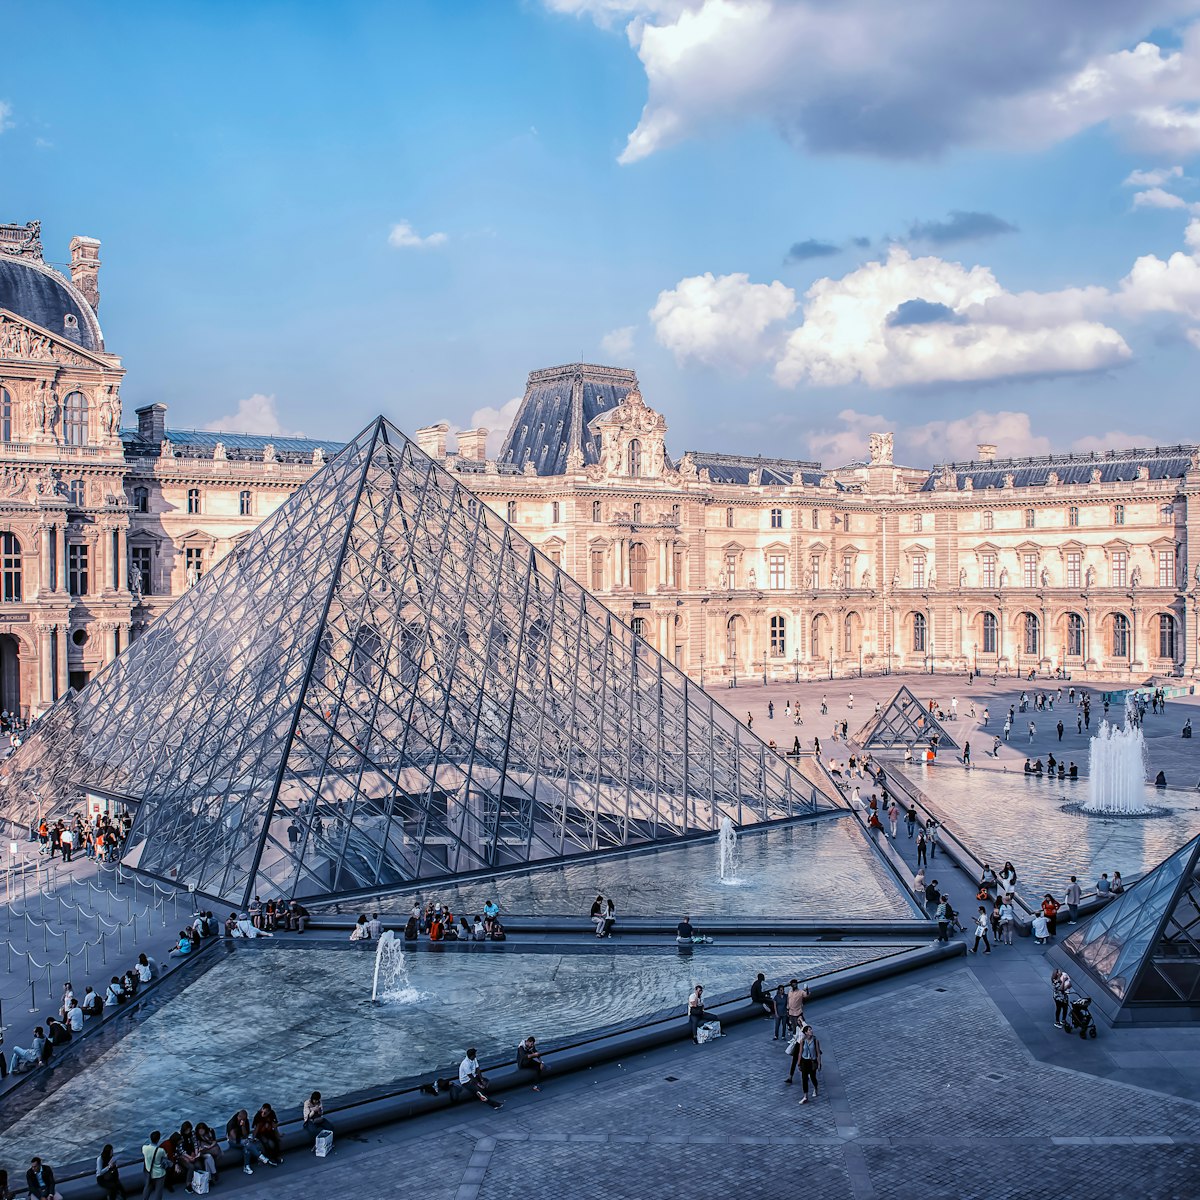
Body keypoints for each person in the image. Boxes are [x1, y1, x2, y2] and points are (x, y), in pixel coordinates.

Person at [225, 1109, 270, 1175]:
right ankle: (260, 1156)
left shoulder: (245, 1121)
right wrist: (243, 1139)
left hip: (243, 1140)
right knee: (247, 1143)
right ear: (238, 1117)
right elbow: (234, 1138)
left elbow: (246, 1135)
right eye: (242, 1119)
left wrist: (243, 1126)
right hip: (233, 1141)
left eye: (245, 1119)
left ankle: (246, 1167)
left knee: (247, 1149)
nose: (243, 1121)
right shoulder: (231, 1123)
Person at [789, 1023, 822, 1102]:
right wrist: (799, 1062)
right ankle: (805, 1096)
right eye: (809, 1030)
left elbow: (818, 1052)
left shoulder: (815, 1040)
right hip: (804, 1061)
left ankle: (815, 1088)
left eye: (811, 1030)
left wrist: (819, 1063)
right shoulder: (802, 1041)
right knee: (804, 1078)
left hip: (812, 1061)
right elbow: (800, 1052)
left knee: (813, 1077)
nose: (811, 1031)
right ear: (806, 1032)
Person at [140, 1132, 168, 1200]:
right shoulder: (161, 1151)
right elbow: (165, 1158)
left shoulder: (144, 1148)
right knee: (158, 1191)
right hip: (159, 1174)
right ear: (158, 1139)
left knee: (147, 1188)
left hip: (149, 1172)